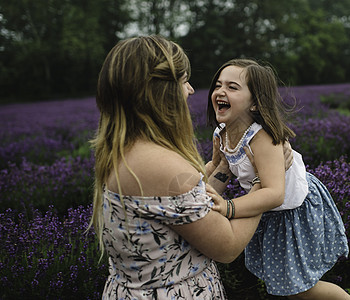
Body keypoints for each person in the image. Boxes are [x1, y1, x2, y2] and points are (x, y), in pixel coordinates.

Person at [90, 35, 269, 299]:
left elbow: (184, 208)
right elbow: (227, 247)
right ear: (160, 92)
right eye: (184, 81)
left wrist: (221, 167)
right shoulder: (162, 166)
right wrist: (262, 185)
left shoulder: (122, 150)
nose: (191, 90)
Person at [206, 58, 350, 299]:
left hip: (293, 212)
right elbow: (222, 169)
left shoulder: (262, 138)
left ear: (255, 103)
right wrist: (206, 192)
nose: (221, 91)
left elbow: (275, 194)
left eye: (232, 87)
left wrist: (228, 207)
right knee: (286, 286)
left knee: (301, 289)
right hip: (269, 211)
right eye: (218, 85)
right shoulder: (222, 133)